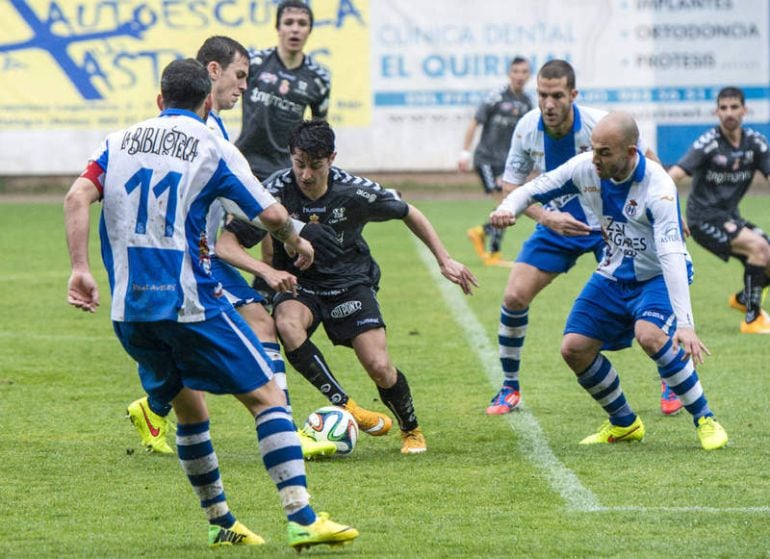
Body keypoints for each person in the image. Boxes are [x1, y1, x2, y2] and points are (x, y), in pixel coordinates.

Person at [63, 58, 358, 550]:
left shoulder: (116, 143)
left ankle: (221, 521)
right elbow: (267, 211)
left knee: (190, 410)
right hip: (187, 303)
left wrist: (80, 269)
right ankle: (302, 517)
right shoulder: (209, 144)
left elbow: (76, 197)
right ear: (205, 103)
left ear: (160, 100)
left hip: (129, 311)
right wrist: (294, 237)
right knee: (268, 396)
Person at [124, 35, 338, 459]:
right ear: (213, 72)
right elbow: (243, 200)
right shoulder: (203, 130)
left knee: (187, 344)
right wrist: (290, 231)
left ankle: (155, 406)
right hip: (192, 254)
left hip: (182, 254)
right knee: (259, 324)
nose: (244, 86)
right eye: (240, 75)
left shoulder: (210, 127)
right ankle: (286, 428)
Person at [220, 120, 478, 455]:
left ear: (332, 159)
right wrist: (268, 273)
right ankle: (348, 406)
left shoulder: (354, 190)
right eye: (299, 164)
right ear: (290, 157)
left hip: (350, 281)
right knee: (286, 322)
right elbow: (226, 245)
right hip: (300, 284)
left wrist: (444, 259)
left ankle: (410, 428)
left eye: (316, 166)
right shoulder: (273, 191)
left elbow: (408, 211)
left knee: (379, 367)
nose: (306, 175)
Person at [490, 111, 729, 451]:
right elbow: (535, 188)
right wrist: (508, 208)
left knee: (649, 335)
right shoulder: (586, 167)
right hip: (614, 273)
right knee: (574, 348)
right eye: (593, 149)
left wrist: (686, 325)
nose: (595, 158)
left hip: (656, 276)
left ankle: (705, 419)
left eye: (604, 152)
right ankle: (624, 423)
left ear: (631, 152)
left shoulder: (659, 188)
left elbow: (672, 256)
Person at [485, 59, 683, 417]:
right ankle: (509, 388)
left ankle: (670, 379)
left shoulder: (598, 125)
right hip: (556, 224)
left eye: (557, 95)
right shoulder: (526, 128)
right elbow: (511, 186)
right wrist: (547, 217)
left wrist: (671, 212)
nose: (548, 104)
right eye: (543, 95)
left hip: (608, 227)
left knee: (645, 299)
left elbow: (648, 159)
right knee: (514, 295)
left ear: (572, 95)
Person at [668, 86, 770, 334]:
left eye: (734, 107)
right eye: (723, 108)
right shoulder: (709, 143)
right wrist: (669, 210)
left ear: (744, 110)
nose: (729, 113)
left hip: (731, 218)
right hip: (702, 220)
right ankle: (752, 319)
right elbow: (674, 176)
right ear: (716, 111)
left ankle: (745, 298)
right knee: (759, 248)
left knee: (767, 255)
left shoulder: (755, 143)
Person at [236, 0, 329, 181]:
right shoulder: (253, 63)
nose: (295, 29)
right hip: (245, 164)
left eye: (302, 24)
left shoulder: (319, 78)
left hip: (287, 170)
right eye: (288, 22)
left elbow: (319, 132)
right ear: (278, 27)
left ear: (309, 30)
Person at [461, 56, 533, 266]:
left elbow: (528, 134)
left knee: (511, 206)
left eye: (524, 72)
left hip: (507, 163)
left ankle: (481, 232)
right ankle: (493, 253)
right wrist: (464, 152)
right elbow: (475, 121)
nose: (520, 76)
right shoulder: (496, 97)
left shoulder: (527, 103)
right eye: (516, 71)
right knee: (505, 204)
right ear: (509, 74)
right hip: (486, 159)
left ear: (528, 75)